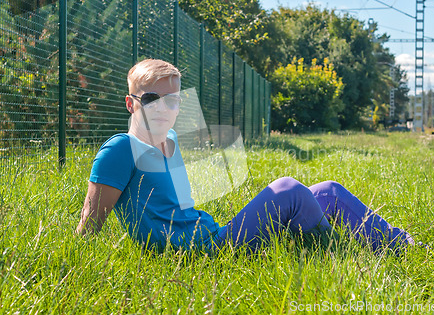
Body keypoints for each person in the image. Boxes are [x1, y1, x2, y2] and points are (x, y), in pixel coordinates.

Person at [76, 59, 414, 253]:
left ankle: (401, 245)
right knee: (289, 190)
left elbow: (179, 208)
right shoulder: (120, 149)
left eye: (174, 100)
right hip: (201, 253)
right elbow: (89, 227)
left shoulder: (172, 139)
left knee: (328, 191)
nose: (165, 108)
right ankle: (337, 252)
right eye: (152, 99)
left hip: (212, 233)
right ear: (130, 103)